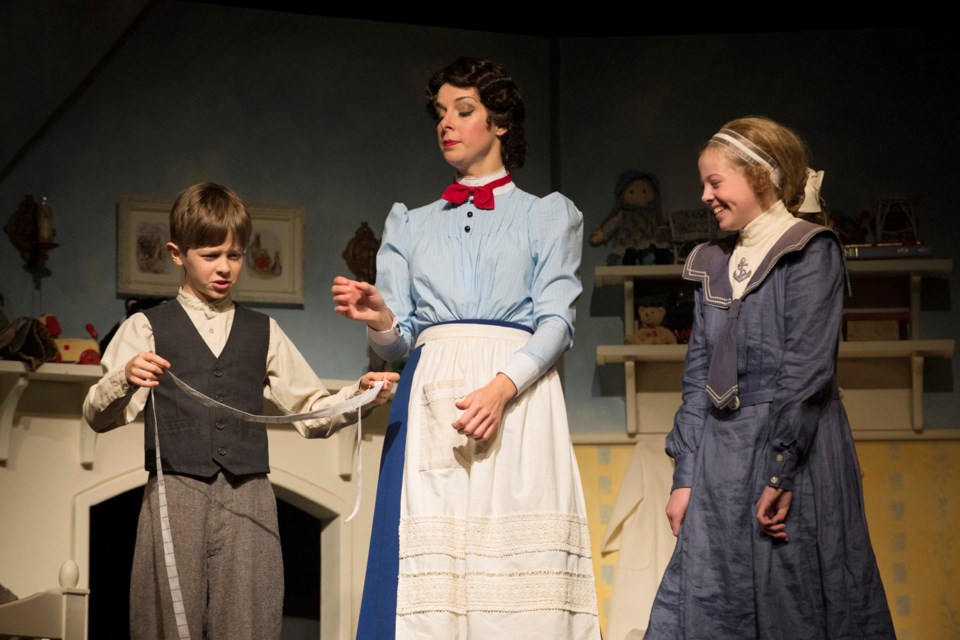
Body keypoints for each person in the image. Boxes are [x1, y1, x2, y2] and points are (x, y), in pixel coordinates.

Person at [332, 57, 600, 639]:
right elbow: (400, 340)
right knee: (429, 570)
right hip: (434, 401)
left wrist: (502, 388)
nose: (446, 125)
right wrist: (379, 320)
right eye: (439, 114)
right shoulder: (410, 223)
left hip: (518, 397)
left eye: (464, 110)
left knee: (514, 570)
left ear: (500, 122)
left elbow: (557, 322)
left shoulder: (547, 215)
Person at [83, 182, 397, 640]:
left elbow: (311, 410)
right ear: (177, 254)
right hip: (175, 494)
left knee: (249, 622)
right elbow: (96, 414)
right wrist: (124, 375)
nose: (225, 268)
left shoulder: (264, 330)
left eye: (234, 255)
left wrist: (361, 395)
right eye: (210, 256)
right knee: (166, 621)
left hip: (249, 498)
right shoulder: (145, 327)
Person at [645, 117, 895, 639]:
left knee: (795, 596)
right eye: (704, 183)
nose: (706, 196)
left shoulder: (809, 248)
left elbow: (807, 370)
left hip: (795, 448)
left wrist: (779, 473)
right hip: (719, 456)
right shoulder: (713, 261)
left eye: (716, 183)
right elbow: (697, 379)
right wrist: (685, 476)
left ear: (761, 176)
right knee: (712, 599)